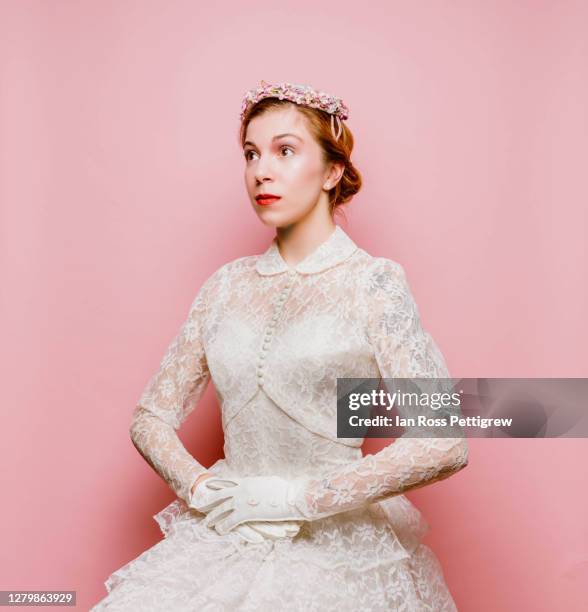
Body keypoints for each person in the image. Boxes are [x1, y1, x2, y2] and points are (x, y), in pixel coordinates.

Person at [91, 80, 469, 611]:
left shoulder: (372, 282)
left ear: (332, 171)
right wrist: (200, 488)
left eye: (285, 151)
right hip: (224, 533)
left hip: (335, 557)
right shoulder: (226, 286)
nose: (260, 171)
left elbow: (444, 439)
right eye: (251, 153)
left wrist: (300, 499)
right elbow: (150, 415)